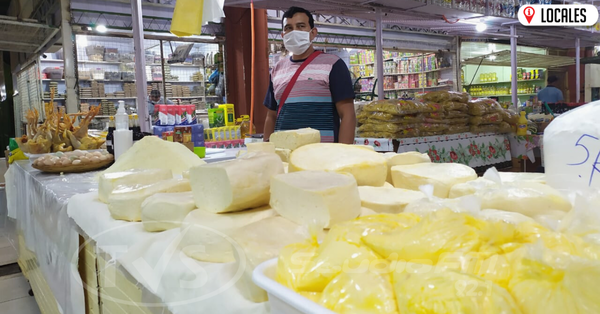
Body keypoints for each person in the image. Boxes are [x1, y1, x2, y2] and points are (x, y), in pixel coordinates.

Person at [263, 6, 356, 143]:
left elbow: (347, 114)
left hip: (321, 156)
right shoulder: (277, 69)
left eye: (301, 26)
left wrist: (343, 153)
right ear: (283, 35)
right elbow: (271, 116)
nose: (294, 32)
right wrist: (266, 149)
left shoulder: (333, 65)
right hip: (284, 154)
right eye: (288, 28)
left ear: (313, 33)